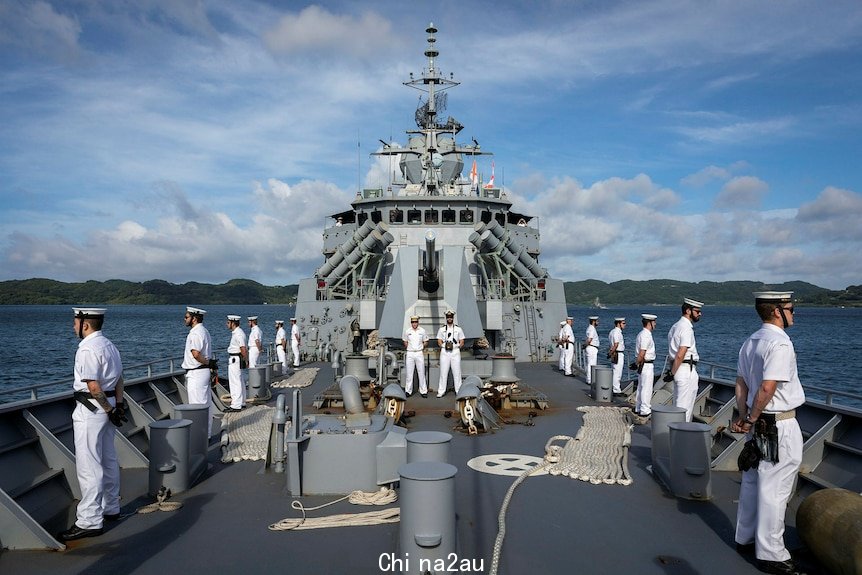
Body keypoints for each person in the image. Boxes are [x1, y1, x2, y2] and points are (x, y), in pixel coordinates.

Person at [731, 292, 806, 575]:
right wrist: (750, 419)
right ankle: (772, 553)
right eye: (790, 308)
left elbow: (741, 384)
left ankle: (745, 538)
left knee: (752, 481)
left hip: (757, 424)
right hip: (778, 426)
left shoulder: (751, 341)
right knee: (776, 487)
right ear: (777, 311)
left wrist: (744, 417)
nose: (794, 313)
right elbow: (767, 388)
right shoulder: (780, 343)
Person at [60, 308, 125, 541]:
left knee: (89, 465)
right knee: (108, 459)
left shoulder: (87, 348)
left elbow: (93, 385)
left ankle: (89, 520)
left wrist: (108, 409)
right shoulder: (109, 345)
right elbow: (118, 378)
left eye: (75, 322)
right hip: (108, 407)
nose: (73, 326)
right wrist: (117, 406)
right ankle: (111, 507)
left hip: (91, 409)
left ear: (85, 324)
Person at [665, 298, 703, 422]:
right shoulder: (686, 328)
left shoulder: (675, 326)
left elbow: (673, 353)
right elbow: (681, 353)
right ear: (688, 311)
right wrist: (672, 372)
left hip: (680, 369)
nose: (699, 314)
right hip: (686, 370)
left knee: (678, 404)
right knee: (684, 408)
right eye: (697, 311)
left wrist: (672, 371)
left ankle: (677, 435)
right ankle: (680, 437)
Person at [182, 306, 214, 435]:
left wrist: (207, 362)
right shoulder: (204, 331)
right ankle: (207, 433)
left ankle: (199, 436)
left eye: (187, 317)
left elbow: (196, 354)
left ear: (194, 318)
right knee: (206, 403)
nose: (184, 319)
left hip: (196, 372)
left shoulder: (196, 333)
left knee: (197, 405)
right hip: (202, 372)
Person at [436, 310, 465, 397]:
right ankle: (441, 391)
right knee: (443, 372)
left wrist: (458, 347)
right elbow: (439, 340)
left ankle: (458, 390)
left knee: (457, 372)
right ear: (446, 318)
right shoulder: (442, 329)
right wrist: (443, 346)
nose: (449, 319)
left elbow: (462, 340)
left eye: (451, 317)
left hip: (455, 351)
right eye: (448, 317)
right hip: (445, 352)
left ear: (453, 318)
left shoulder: (458, 329)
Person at [633, 314, 657, 417]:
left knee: (641, 387)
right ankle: (645, 410)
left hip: (642, 365)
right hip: (646, 364)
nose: (655, 324)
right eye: (654, 322)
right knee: (646, 388)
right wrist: (636, 363)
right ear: (649, 323)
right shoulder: (646, 335)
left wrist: (636, 364)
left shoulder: (641, 334)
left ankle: (638, 407)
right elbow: (642, 353)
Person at [225, 315, 248, 412]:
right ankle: (241, 402)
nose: (226, 324)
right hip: (235, 359)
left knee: (235, 382)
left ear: (233, 323)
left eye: (228, 322)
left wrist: (246, 360)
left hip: (235, 359)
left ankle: (236, 405)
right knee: (239, 381)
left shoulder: (238, 334)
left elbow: (243, 348)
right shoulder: (236, 333)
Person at [402, 315, 429, 397]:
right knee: (409, 373)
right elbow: (405, 341)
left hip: (419, 353)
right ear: (411, 323)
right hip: (410, 353)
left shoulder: (422, 331)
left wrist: (422, 347)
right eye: (413, 322)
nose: (414, 323)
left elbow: (426, 341)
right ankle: (408, 391)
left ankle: (423, 391)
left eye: (416, 322)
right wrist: (409, 347)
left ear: (418, 322)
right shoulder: (407, 331)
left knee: (421, 372)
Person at [608, 317, 626, 395]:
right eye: (623, 323)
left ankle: (615, 388)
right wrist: (611, 352)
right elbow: (616, 344)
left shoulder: (612, 331)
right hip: (618, 353)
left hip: (615, 353)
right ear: (618, 323)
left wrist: (610, 352)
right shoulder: (617, 332)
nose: (625, 325)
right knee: (617, 372)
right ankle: (616, 390)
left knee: (615, 371)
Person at [584, 316, 600, 384]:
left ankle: (589, 379)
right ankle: (590, 380)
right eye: (597, 321)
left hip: (591, 347)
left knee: (590, 364)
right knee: (592, 364)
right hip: (592, 348)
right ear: (594, 321)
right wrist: (585, 345)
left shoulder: (589, 328)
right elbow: (589, 339)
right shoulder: (592, 329)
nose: (598, 322)